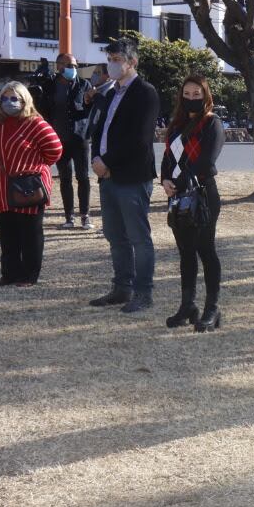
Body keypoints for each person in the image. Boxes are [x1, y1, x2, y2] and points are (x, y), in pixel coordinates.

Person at [89, 37, 161, 313]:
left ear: (132, 62)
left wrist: (107, 161)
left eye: (117, 59)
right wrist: (97, 158)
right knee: (114, 235)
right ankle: (122, 288)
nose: (111, 64)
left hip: (131, 176)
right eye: (109, 58)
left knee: (138, 238)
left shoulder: (145, 93)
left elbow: (139, 140)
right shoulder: (109, 93)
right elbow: (99, 129)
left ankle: (143, 293)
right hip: (107, 176)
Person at [160, 76, 226, 332]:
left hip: (202, 195)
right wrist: (165, 179)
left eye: (196, 94)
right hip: (177, 195)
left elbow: (208, 161)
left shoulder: (212, 123)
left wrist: (185, 178)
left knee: (205, 250)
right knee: (185, 251)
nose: (191, 98)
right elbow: (168, 157)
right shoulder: (177, 124)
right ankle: (188, 306)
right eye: (186, 94)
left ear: (205, 95)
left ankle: (212, 307)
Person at [0, 82, 63, 287]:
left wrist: (32, 167)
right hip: (0, 187)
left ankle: (29, 275)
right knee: (7, 234)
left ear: (24, 100)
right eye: (4, 98)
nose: (9, 103)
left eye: (14, 98)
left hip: (28, 187)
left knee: (30, 234)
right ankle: (10, 273)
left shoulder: (36, 124)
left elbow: (55, 150)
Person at [43, 54, 94, 230]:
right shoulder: (50, 86)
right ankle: (69, 216)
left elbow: (89, 109)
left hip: (80, 138)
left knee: (83, 177)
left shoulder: (84, 85)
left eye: (74, 65)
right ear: (59, 66)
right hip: (59, 138)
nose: (73, 69)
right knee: (65, 178)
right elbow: (44, 110)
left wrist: (89, 101)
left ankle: (85, 216)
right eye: (69, 65)